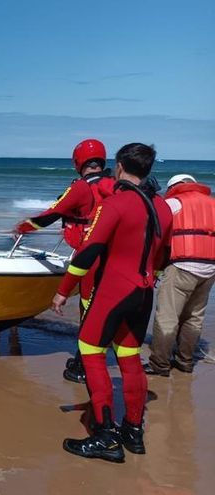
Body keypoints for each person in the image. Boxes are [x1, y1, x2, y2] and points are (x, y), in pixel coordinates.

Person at [51, 143, 172, 463]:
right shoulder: (162, 206)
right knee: (129, 356)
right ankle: (133, 430)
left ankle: (105, 436)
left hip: (114, 291)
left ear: (119, 166)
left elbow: (88, 252)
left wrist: (64, 290)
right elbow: (164, 255)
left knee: (91, 351)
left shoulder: (116, 203)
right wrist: (150, 276)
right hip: (144, 293)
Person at [14, 138, 116, 383]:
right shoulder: (116, 185)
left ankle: (83, 366)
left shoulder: (80, 188)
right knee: (105, 310)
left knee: (88, 312)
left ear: (78, 162)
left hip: (90, 258)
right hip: (116, 256)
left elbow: (51, 214)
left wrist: (22, 228)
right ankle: (100, 359)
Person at [145, 174, 215, 376]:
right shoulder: (212, 203)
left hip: (182, 266)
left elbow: (156, 231)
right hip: (210, 269)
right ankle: (185, 361)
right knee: (194, 317)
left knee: (167, 316)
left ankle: (160, 364)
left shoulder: (174, 202)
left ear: (173, 187)